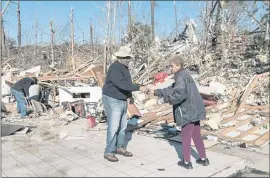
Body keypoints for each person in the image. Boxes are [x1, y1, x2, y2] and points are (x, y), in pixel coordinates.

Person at [150, 55, 209, 169]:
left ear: (178, 65)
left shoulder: (181, 76)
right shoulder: (184, 74)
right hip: (195, 109)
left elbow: (179, 94)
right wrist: (158, 92)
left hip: (187, 110)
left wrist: (164, 100)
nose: (170, 68)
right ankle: (203, 159)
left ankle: (186, 162)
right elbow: (173, 88)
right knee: (196, 135)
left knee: (186, 136)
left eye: (172, 66)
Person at [102, 46, 148, 162]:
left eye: (128, 58)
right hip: (113, 99)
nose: (128, 60)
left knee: (122, 126)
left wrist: (129, 97)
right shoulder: (115, 68)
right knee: (113, 127)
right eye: (126, 57)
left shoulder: (124, 67)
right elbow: (121, 85)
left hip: (121, 99)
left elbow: (126, 84)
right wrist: (139, 87)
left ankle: (119, 147)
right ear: (120, 57)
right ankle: (109, 151)